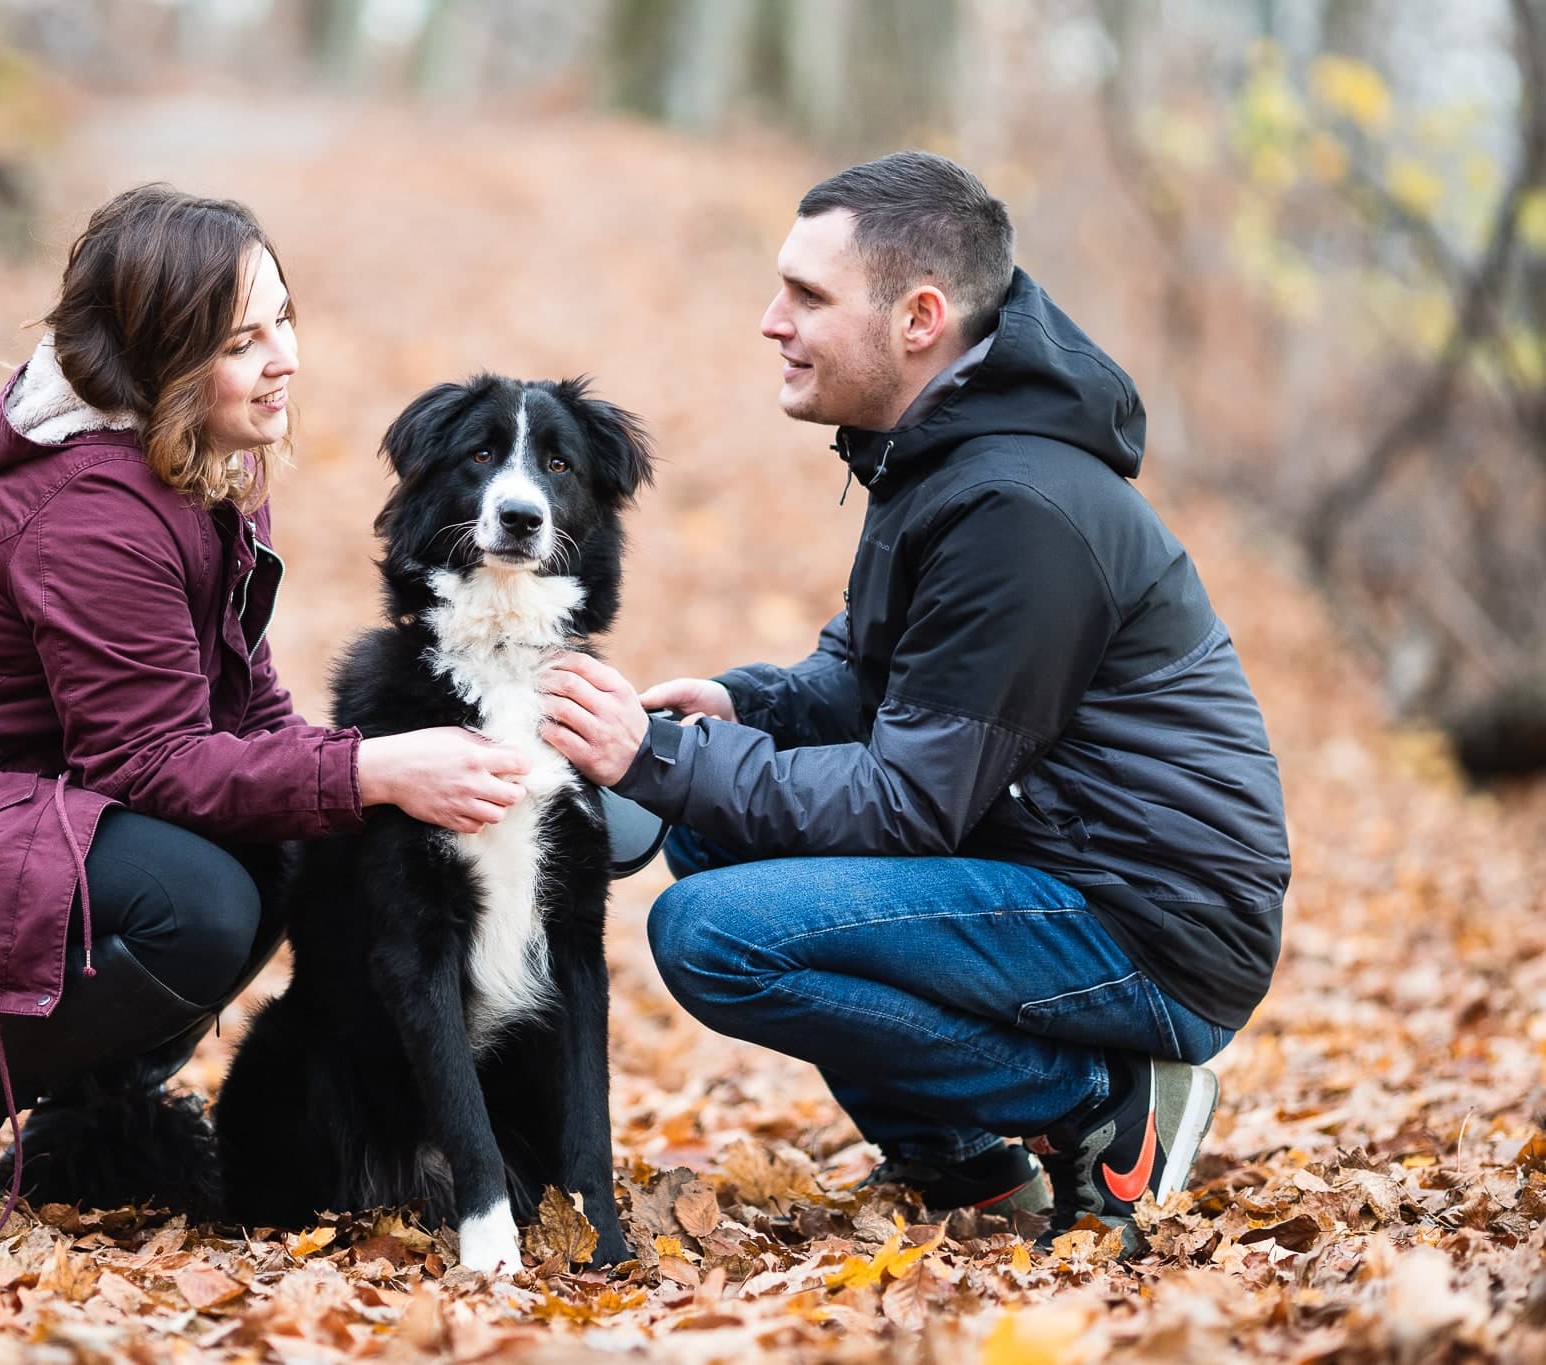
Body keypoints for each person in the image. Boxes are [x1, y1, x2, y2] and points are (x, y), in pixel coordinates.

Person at [0, 185, 531, 1197]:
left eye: (284, 320)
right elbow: (152, 763)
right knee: (199, 903)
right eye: (241, 341)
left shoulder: (199, 470)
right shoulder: (96, 512)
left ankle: (93, 1130)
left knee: (291, 838)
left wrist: (381, 788)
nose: (285, 360)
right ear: (166, 363)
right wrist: (371, 769)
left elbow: (244, 710)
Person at [539, 151, 1291, 1252]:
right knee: (714, 841)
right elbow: (868, 677)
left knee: (708, 934)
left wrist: (655, 763)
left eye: (805, 297)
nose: (769, 322)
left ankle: (1103, 1103)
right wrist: (748, 709)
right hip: (1059, 863)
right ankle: (965, 1164)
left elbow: (904, 804)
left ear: (918, 319)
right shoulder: (939, 456)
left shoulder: (1014, 505)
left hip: (1147, 926)